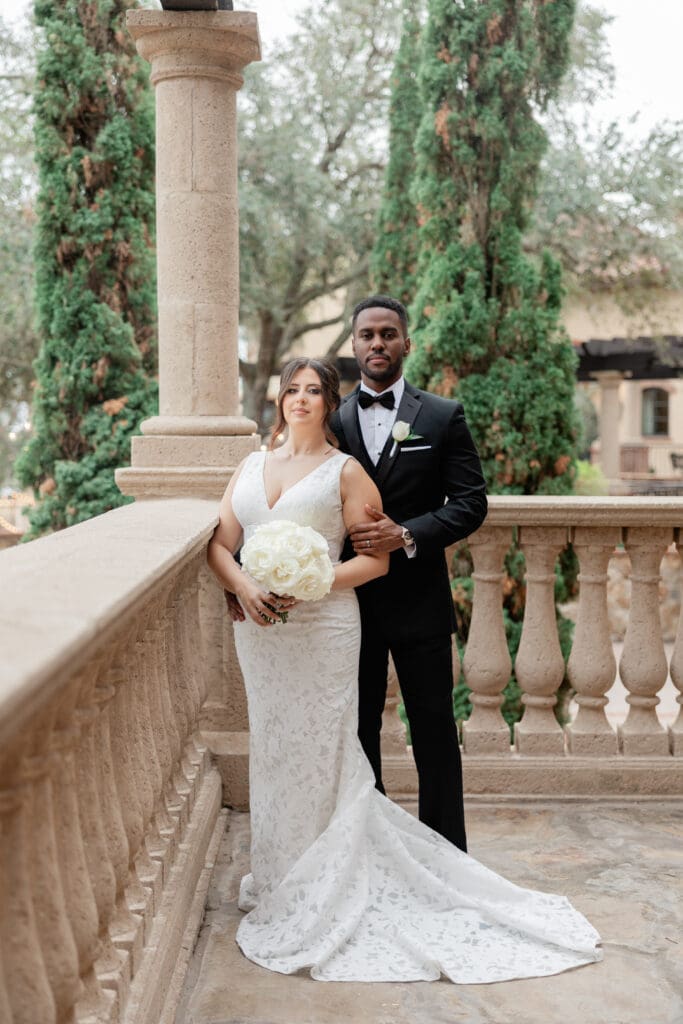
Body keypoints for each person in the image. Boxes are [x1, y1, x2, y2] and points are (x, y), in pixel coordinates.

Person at [207, 356, 601, 982]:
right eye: (291, 390)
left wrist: (310, 582)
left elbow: (377, 560)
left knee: (329, 747)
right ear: (279, 399)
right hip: (262, 634)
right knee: (276, 745)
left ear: (329, 403)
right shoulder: (250, 465)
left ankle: (337, 875)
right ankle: (282, 870)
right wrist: (245, 587)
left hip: (324, 626)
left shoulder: (346, 471)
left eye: (313, 391)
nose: (300, 399)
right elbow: (220, 544)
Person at [330, 294, 487, 853]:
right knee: (358, 730)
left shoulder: (442, 416)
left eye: (387, 334)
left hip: (421, 601)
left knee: (435, 730)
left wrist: (407, 534)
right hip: (349, 605)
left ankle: (446, 854)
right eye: (367, 335)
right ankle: (370, 851)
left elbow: (471, 503)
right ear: (354, 345)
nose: (377, 343)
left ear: (406, 343)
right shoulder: (331, 421)